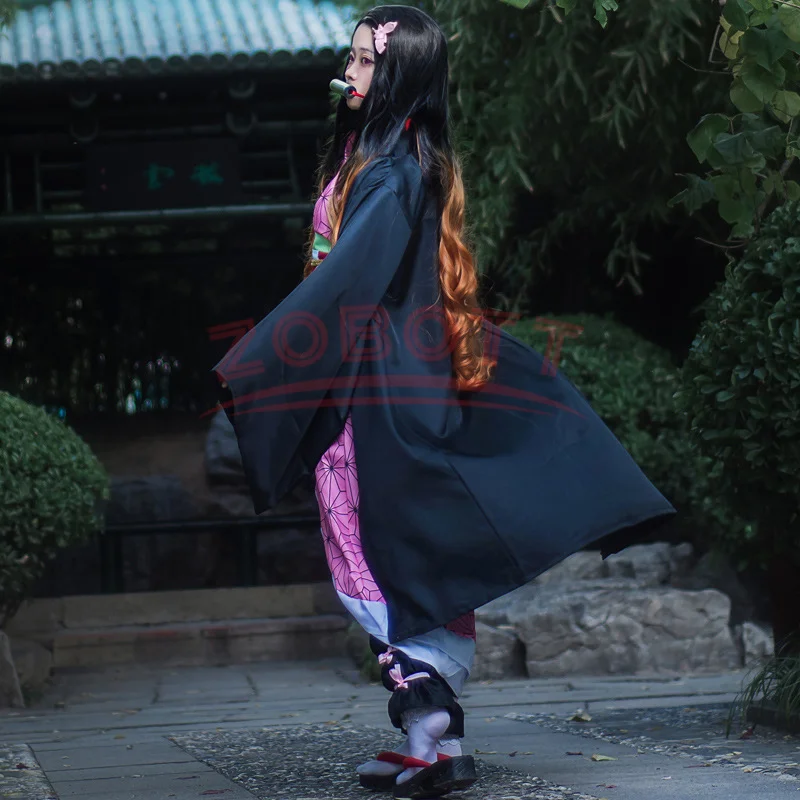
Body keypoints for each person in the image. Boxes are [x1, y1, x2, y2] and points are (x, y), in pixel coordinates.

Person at [214, 6, 676, 798]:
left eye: (364, 62)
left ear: (398, 74)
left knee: (375, 550)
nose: (349, 73)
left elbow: (350, 279)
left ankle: (429, 722)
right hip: (380, 375)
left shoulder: (394, 169)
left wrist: (263, 357)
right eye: (351, 58)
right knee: (398, 546)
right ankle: (435, 737)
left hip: (374, 389)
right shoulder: (385, 157)